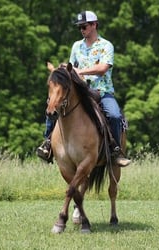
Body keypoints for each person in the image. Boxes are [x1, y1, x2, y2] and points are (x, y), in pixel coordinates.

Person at [37, 10, 130, 167]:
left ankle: (116, 151)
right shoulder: (76, 46)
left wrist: (80, 71)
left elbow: (102, 68)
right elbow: (71, 68)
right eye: (80, 27)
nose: (81, 30)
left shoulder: (106, 46)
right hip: (81, 91)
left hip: (102, 92)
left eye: (84, 26)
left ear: (94, 25)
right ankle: (47, 142)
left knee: (114, 115)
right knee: (53, 103)